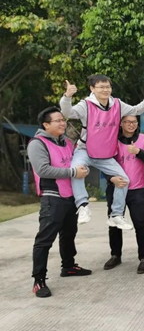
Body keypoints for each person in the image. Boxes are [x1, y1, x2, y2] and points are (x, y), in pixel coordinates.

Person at [60, 75, 144, 229]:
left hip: (105, 154)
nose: (105, 90)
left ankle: (116, 215)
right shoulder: (86, 105)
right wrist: (67, 96)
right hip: (85, 150)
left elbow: (136, 110)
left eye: (108, 87)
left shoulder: (117, 104)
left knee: (124, 180)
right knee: (76, 171)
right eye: (101, 87)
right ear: (92, 89)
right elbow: (68, 113)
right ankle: (83, 206)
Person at [28, 107, 92, 298]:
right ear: (46, 125)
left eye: (63, 120)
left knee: (69, 234)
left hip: (70, 196)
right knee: (45, 240)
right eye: (58, 120)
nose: (63, 123)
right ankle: (39, 280)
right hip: (52, 197)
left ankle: (69, 266)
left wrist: (82, 170)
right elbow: (43, 170)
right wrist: (73, 172)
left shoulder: (67, 142)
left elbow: (75, 163)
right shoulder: (37, 144)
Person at [103, 115, 144, 274]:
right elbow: (103, 162)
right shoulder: (112, 140)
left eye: (134, 122)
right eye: (127, 121)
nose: (131, 124)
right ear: (121, 124)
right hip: (116, 188)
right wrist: (111, 178)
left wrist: (139, 152)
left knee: (140, 223)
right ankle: (115, 255)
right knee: (114, 224)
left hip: (137, 189)